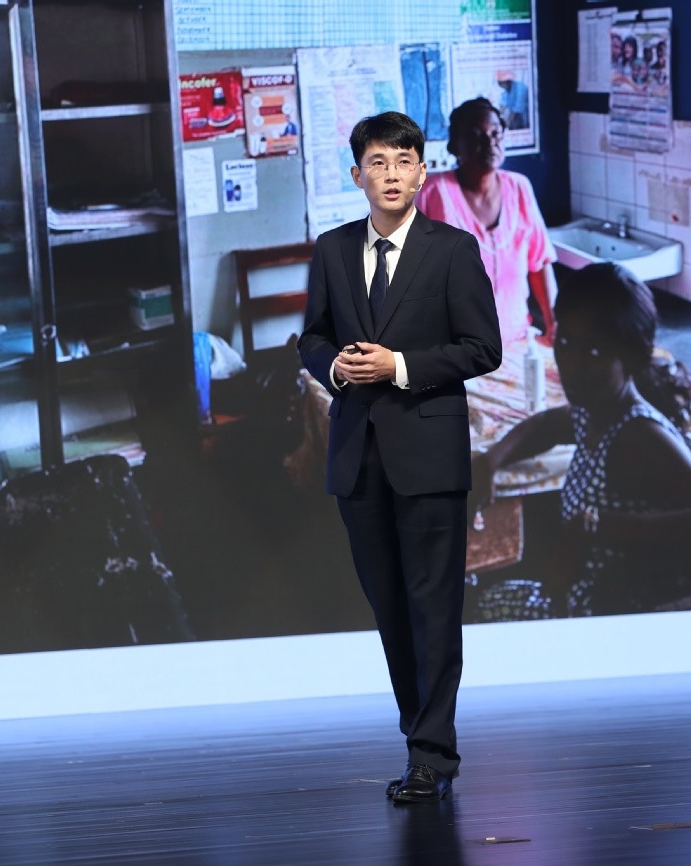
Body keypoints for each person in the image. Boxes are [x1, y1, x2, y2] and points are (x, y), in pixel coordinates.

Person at [297, 111, 502, 803]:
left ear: (421, 173)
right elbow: (312, 339)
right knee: (390, 607)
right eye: (378, 163)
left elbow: (483, 348)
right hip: (358, 455)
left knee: (433, 607)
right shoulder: (331, 249)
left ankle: (431, 756)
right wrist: (335, 368)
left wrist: (400, 366)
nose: (391, 175)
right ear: (357, 174)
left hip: (430, 452)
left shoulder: (453, 250)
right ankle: (420, 740)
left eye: (404, 162)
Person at [472, 263, 691, 616]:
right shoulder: (598, 409)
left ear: (629, 356)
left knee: (470, 613)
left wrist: (597, 527)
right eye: (566, 343)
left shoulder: (640, 438)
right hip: (583, 601)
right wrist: (489, 461)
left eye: (594, 352)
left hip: (620, 622)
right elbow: (548, 424)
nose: (573, 364)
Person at [414, 98, 556, 345]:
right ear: (455, 145)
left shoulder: (519, 188)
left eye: (495, 134)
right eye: (476, 136)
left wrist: (553, 322)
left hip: (516, 341)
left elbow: (540, 262)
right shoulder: (432, 194)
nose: (489, 143)